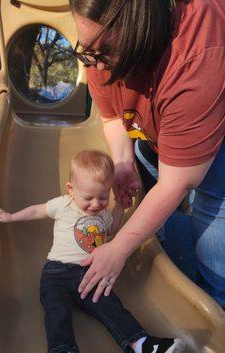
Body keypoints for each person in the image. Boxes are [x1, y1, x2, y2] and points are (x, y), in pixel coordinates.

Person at [69, 0, 225, 308]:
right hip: (169, 115)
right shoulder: (98, 48)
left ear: (141, 34)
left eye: (106, 53)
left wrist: (119, 249)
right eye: (88, 51)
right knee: (141, 159)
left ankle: (216, 306)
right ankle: (157, 244)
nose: (97, 65)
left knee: (214, 198)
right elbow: (112, 116)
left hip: (213, 116)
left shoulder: (196, 56)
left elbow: (178, 182)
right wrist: (123, 162)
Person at [0, 150, 186, 353]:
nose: (96, 204)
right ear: (71, 189)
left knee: (110, 306)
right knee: (56, 312)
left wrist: (118, 207)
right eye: (89, 198)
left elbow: (113, 228)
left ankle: (145, 348)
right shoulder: (62, 204)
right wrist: (11, 217)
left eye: (103, 197)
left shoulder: (103, 213)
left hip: (91, 272)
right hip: (56, 273)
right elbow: (36, 211)